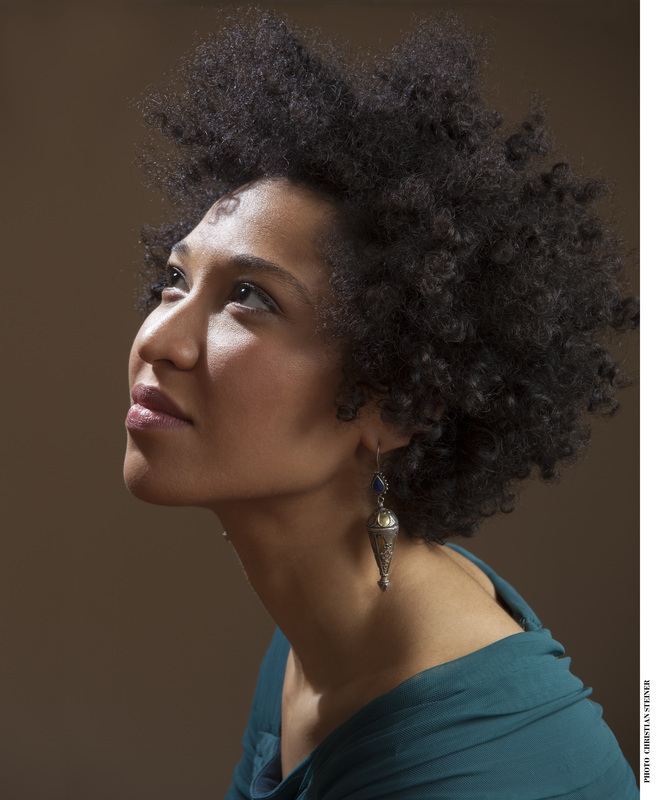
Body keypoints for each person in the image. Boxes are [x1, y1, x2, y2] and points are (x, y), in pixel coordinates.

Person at [123, 9, 639, 798]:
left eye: (249, 297)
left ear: (396, 403)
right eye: (176, 280)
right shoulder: (317, 635)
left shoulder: (465, 767)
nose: (161, 339)